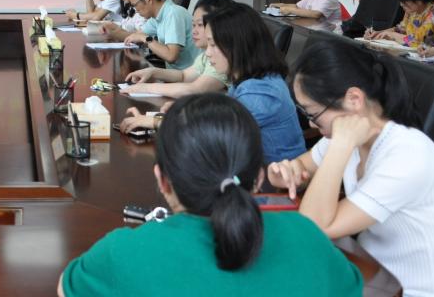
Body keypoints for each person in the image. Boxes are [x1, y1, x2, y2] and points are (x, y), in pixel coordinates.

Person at [58, 93, 362, 297]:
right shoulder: (310, 240)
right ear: (258, 179)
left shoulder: (122, 254)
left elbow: (65, 288)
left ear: (162, 180)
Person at [269, 40, 434, 297]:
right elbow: (302, 166)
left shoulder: (407, 156)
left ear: (354, 99)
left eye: (313, 114)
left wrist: (340, 147)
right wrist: (286, 172)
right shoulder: (348, 132)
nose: (312, 123)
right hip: (369, 271)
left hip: (412, 290)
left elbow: (313, 227)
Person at [204, 3, 305, 164]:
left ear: (237, 44)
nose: (207, 53)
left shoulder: (259, 91)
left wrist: (173, 118)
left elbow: (215, 136)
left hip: (278, 177)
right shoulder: (249, 76)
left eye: (213, 44)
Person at [118, 0, 230, 132]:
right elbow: (184, 75)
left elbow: (194, 89)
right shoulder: (207, 54)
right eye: (193, 25)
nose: (194, 31)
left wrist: (146, 88)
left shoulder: (222, 57)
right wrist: (153, 72)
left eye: (200, 25)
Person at [123, 0, 196, 69]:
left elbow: (171, 56)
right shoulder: (157, 16)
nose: (135, 10)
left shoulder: (173, 14)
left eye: (135, 5)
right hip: (174, 73)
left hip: (188, 75)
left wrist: (144, 38)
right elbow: (138, 35)